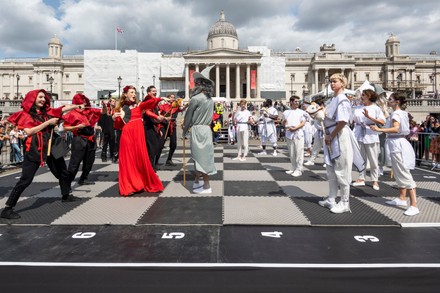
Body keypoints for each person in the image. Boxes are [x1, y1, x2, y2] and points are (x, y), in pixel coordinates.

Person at [1, 89, 83, 219]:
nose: (43, 99)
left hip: (52, 143)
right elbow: (28, 132)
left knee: (63, 171)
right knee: (26, 179)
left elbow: (62, 109)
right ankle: (8, 208)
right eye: (40, 97)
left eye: (44, 97)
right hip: (35, 146)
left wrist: (76, 106)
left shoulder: (47, 112)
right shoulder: (25, 115)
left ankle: (66, 195)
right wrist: (48, 123)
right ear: (32, 98)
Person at [318, 73, 365, 214]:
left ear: (342, 83)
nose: (332, 84)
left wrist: (331, 135)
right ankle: (332, 198)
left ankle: (345, 202)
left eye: (335, 81)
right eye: (331, 81)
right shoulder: (334, 99)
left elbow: (343, 121)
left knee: (342, 170)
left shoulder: (343, 100)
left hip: (339, 136)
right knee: (331, 168)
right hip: (331, 135)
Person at [371, 94, 419, 216]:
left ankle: (414, 205)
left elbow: (396, 129)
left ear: (397, 102)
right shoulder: (401, 113)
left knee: (403, 173)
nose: (388, 101)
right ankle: (402, 198)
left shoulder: (397, 114)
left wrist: (379, 130)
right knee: (398, 172)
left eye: (390, 100)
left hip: (397, 144)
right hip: (397, 143)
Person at [113, 85, 164, 196]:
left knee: (140, 158)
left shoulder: (139, 105)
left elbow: (149, 104)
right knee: (129, 160)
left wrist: (160, 98)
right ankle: (129, 186)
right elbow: (118, 125)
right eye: (131, 92)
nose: (134, 94)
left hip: (139, 135)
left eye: (135, 92)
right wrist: (114, 118)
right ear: (125, 94)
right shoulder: (120, 108)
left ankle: (139, 183)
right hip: (127, 134)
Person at [182, 65, 217, 194]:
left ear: (200, 85)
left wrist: (185, 130)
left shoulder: (195, 99)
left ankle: (206, 185)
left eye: (196, 83)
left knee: (200, 157)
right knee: (202, 156)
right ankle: (198, 180)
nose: (194, 85)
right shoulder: (210, 99)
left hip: (197, 129)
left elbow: (188, 117)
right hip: (206, 130)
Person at [63, 94, 102, 186]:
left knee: (89, 161)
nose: (84, 104)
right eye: (82, 102)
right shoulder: (72, 114)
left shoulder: (89, 111)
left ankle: (84, 178)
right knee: (75, 162)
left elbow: (103, 112)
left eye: (85, 102)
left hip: (91, 139)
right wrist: (77, 126)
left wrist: (104, 105)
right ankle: (67, 183)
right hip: (79, 140)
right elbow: (65, 128)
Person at [351, 89, 385, 190]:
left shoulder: (376, 108)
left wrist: (369, 117)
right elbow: (352, 119)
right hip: (358, 133)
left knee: (373, 158)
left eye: (364, 95)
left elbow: (382, 122)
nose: (361, 96)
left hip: (370, 133)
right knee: (361, 158)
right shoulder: (357, 108)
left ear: (369, 97)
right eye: (362, 95)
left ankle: (375, 180)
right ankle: (361, 178)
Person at [143, 85, 166, 170]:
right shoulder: (147, 100)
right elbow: (147, 112)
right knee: (153, 147)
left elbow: (155, 113)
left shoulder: (153, 102)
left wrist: (161, 118)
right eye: (153, 91)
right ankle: (150, 168)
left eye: (156, 91)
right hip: (148, 127)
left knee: (156, 147)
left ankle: (151, 166)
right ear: (149, 92)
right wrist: (157, 117)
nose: (155, 92)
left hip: (153, 127)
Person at [283, 96, 307, 177]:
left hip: (298, 133)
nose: (297, 103)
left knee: (299, 152)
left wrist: (295, 128)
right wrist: (285, 124)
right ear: (291, 102)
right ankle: (293, 167)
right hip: (289, 133)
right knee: (292, 152)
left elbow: (303, 122)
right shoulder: (286, 112)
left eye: (298, 101)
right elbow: (283, 122)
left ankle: (299, 169)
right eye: (296, 101)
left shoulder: (301, 112)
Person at [99, 97, 117, 163]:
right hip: (106, 128)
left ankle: (112, 156)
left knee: (112, 143)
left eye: (115, 101)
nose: (114, 102)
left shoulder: (116, 109)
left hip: (113, 128)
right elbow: (103, 114)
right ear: (109, 102)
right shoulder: (107, 109)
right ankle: (104, 156)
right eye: (112, 101)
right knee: (105, 143)